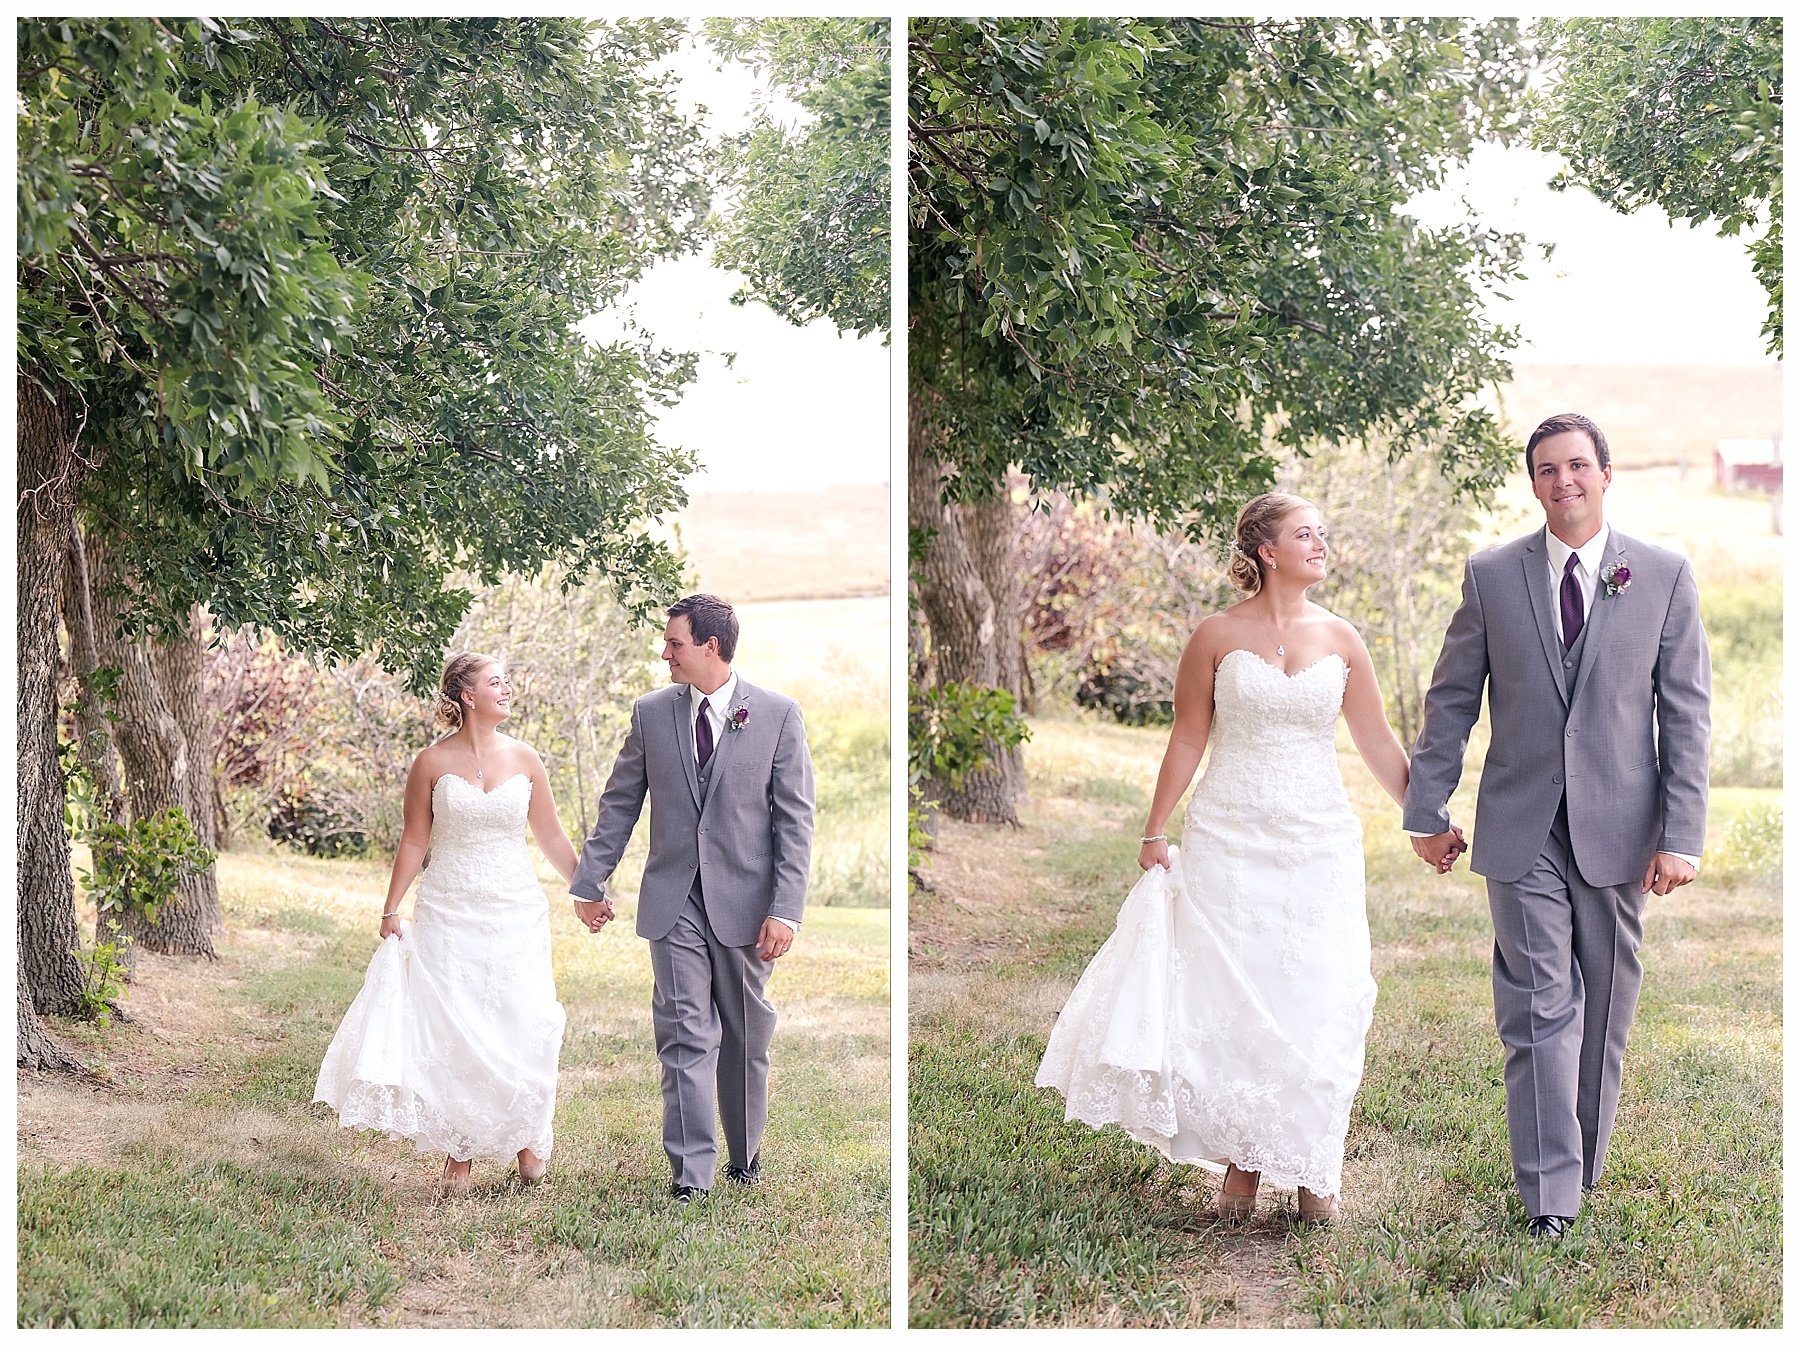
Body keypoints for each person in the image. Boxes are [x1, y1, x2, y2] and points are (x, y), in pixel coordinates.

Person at [1038, 493, 1436, 1224]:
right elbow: (1189, 736)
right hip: (1228, 835)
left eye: (1323, 531)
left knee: (1322, 995)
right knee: (1236, 997)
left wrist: (1428, 817)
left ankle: (1317, 1171)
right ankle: (1243, 1168)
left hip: (1318, 839)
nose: (1321, 544)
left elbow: (1378, 743)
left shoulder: (1343, 638)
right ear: (1266, 552)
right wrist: (1155, 828)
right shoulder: (1215, 636)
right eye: (1305, 534)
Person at [1403, 413, 1710, 1239]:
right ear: (1532, 483)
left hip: (1621, 829)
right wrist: (1425, 809)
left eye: (1577, 465)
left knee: (1604, 1006)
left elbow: (1685, 714)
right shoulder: (1493, 575)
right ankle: (1551, 1199)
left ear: (1607, 474)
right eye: (1546, 470)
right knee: (1540, 1006)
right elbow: (1453, 701)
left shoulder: (1664, 574)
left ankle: (1581, 1159)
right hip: (1521, 825)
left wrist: (1681, 834)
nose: (1563, 481)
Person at [315, 652, 592, 1193]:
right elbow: (415, 839)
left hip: (515, 909)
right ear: (468, 696)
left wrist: (586, 887)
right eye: (496, 682)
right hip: (448, 909)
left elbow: (552, 837)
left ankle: (529, 1139)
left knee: (523, 1019)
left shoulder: (526, 759)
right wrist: (391, 907)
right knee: (456, 1028)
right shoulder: (431, 763)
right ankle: (460, 1152)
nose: (507, 688)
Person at [570, 594, 814, 1203]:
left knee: (744, 1035)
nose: (665, 652)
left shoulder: (779, 715)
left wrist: (785, 908)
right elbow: (621, 801)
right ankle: (691, 1176)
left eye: (674, 643)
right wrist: (589, 879)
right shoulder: (652, 713)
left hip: (749, 905)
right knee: (684, 1031)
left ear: (711, 646)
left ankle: (745, 1155)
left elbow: (795, 821)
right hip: (673, 897)